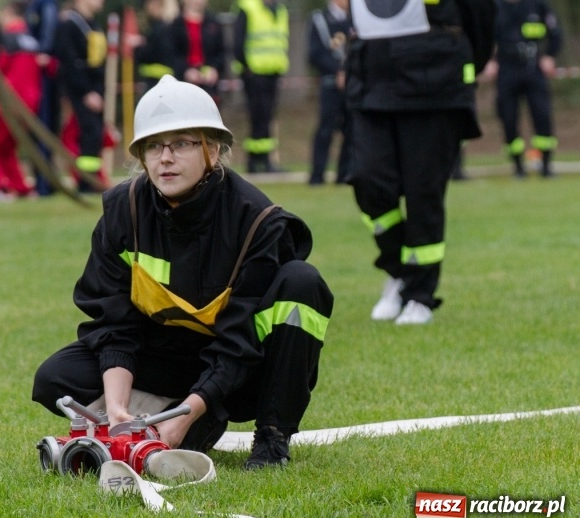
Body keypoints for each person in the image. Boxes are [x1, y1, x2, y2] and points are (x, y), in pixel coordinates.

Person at [32, 75, 334, 470]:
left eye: (182, 143)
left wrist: (192, 407)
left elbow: (239, 342)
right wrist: (118, 407)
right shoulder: (125, 211)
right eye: (153, 146)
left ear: (213, 149)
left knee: (302, 282)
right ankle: (152, 427)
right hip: (165, 358)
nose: (165, 158)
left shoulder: (258, 221)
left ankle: (270, 437)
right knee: (54, 377)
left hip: (240, 371)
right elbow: (115, 324)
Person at [345, 0, 496, 325]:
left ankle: (419, 294)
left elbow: (481, 15)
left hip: (435, 78)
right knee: (367, 178)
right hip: (371, 76)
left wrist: (461, 58)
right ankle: (400, 271)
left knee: (423, 191)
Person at [484, 0, 562, 178]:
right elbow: (484, 35)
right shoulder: (495, 7)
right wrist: (489, 60)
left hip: (533, 67)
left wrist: (549, 56)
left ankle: (546, 165)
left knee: (542, 115)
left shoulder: (537, 5)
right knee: (508, 118)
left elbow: (556, 32)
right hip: (506, 69)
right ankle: (518, 167)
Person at [0, 0, 41, 201]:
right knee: (6, 148)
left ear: (9, 13)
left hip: (9, 102)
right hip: (30, 102)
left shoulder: (6, 40)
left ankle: (1, 188)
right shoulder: (31, 40)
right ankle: (22, 188)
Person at [54, 0, 108, 192]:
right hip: (81, 90)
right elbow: (70, 62)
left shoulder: (92, 23)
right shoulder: (70, 24)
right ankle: (85, 182)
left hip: (96, 89)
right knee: (89, 133)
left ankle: (90, 180)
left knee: (94, 135)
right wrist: (86, 92)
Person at [232, 0, 289, 174]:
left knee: (268, 117)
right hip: (254, 73)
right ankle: (255, 161)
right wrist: (247, 68)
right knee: (257, 116)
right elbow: (238, 42)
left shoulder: (280, 10)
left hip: (273, 71)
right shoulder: (248, 7)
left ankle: (264, 160)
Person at [307, 0, 352, 186]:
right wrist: (337, 71)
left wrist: (350, 72)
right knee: (325, 130)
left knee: (352, 131)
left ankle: (345, 175)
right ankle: (317, 175)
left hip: (352, 85)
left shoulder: (354, 20)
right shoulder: (320, 19)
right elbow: (315, 53)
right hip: (330, 85)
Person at [24, 0, 59, 197]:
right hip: (37, 75)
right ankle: (43, 182)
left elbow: (48, 28)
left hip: (42, 74)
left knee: (43, 129)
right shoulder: (37, 7)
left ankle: (44, 184)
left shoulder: (44, 5)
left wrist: (44, 50)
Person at [167, 0, 225, 103]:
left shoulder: (213, 23)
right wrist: (186, 71)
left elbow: (221, 51)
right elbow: (171, 54)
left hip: (209, 84)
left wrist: (215, 69)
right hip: (183, 83)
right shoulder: (176, 25)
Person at [132, 0, 177, 93]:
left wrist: (139, 47)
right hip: (165, 82)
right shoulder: (170, 27)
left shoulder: (160, 29)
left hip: (155, 83)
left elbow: (151, 53)